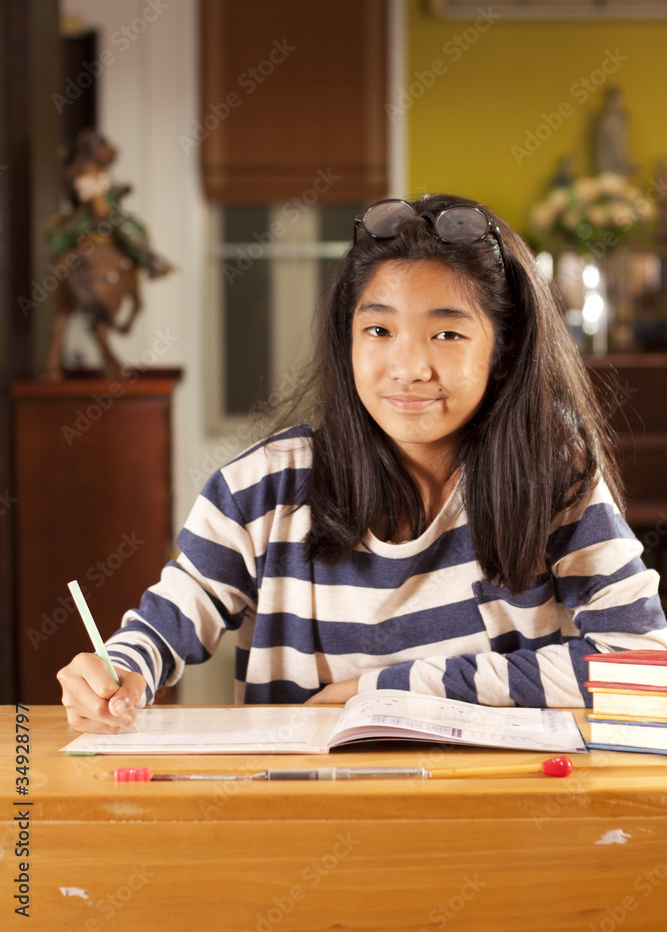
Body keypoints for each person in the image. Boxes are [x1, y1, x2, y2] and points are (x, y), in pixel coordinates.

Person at [57, 194, 667, 733]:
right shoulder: (261, 488)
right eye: (378, 330)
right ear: (347, 339)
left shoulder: (552, 479)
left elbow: (644, 665)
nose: (409, 368)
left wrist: (394, 691)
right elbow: (166, 624)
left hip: (490, 808)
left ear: (502, 354)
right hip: (304, 809)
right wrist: (120, 672)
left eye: (447, 335)